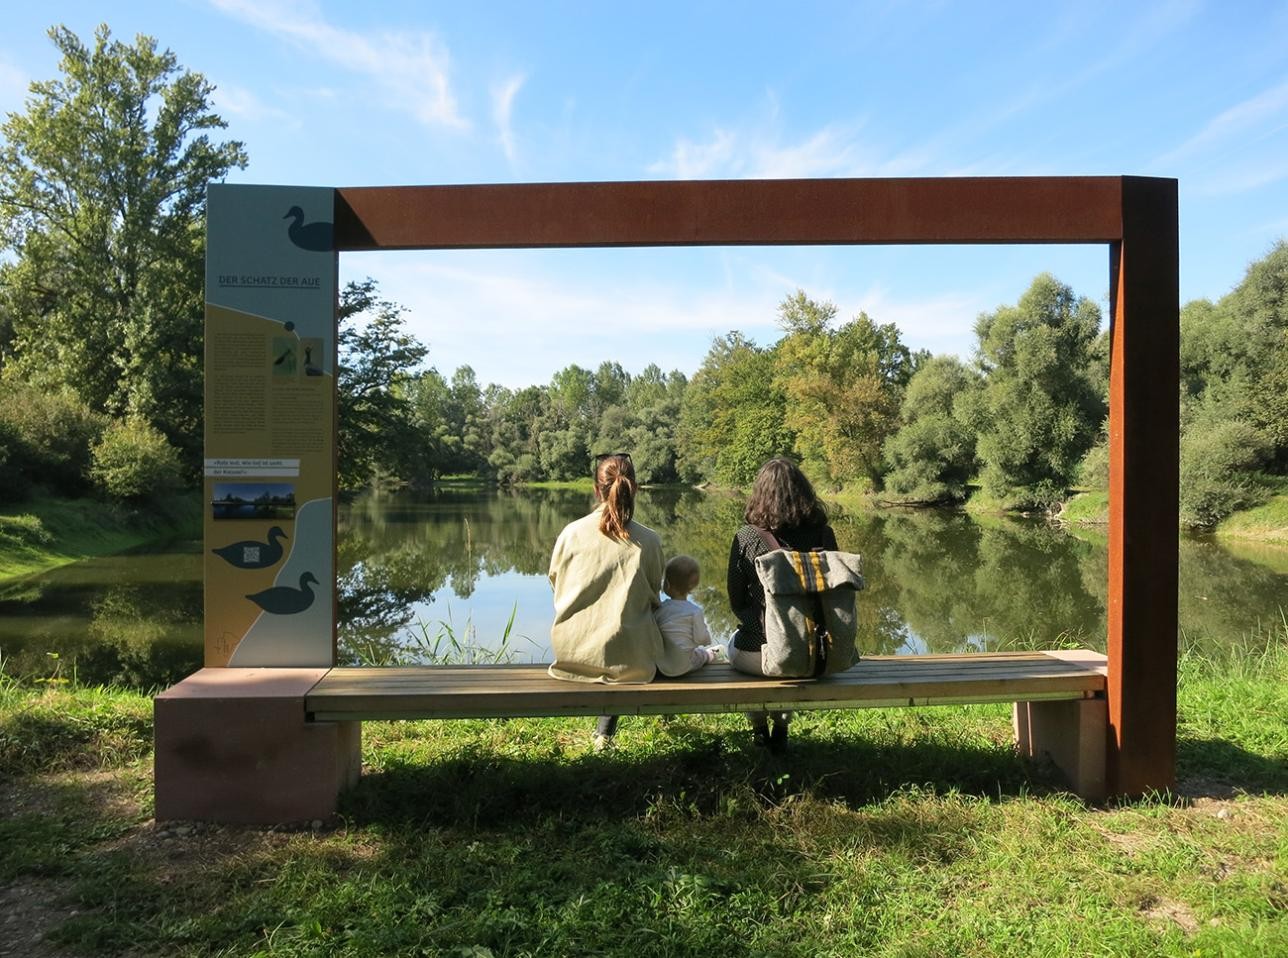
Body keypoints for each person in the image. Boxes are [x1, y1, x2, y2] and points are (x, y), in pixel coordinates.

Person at [547, 452, 693, 749]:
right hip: (632, 663)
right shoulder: (649, 540)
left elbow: (555, 582)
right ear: (634, 488)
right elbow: (654, 594)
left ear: (594, 488)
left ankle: (604, 733)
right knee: (642, 634)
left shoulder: (570, 533)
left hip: (572, 655)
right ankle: (610, 732)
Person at [726, 457, 838, 754]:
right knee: (793, 652)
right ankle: (783, 726)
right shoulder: (823, 533)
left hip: (768, 653)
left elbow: (737, 602)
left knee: (732, 647)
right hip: (819, 653)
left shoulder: (748, 537)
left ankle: (760, 729)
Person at [654, 555, 720, 673]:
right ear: (692, 587)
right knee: (701, 654)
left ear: (667, 584)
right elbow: (701, 639)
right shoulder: (694, 611)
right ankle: (711, 655)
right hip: (685, 664)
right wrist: (706, 641)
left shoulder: (660, 609)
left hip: (662, 665)